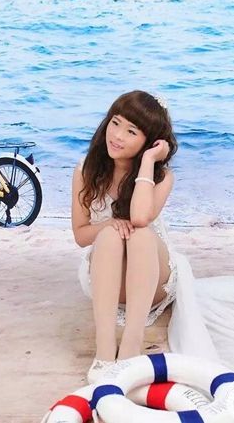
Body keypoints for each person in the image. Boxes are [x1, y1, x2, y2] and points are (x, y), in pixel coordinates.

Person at [70, 90, 179, 383]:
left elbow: (141, 217)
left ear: (149, 141)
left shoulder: (162, 177)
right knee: (108, 235)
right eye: (115, 123)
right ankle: (105, 349)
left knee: (140, 233)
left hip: (151, 280)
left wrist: (148, 162)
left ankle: (131, 346)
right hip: (108, 279)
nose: (117, 136)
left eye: (131, 131)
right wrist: (110, 224)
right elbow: (81, 235)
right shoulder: (86, 171)